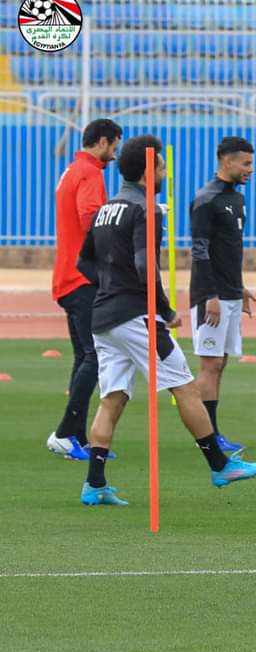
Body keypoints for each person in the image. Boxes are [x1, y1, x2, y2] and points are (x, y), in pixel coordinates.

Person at [75, 135, 256, 506]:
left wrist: (111, 287)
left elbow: (84, 262)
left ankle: (94, 484)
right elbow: (145, 267)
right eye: (162, 168)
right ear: (149, 172)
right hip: (136, 316)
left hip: (103, 317)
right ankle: (220, 465)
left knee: (113, 397)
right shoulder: (146, 209)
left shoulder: (106, 209)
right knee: (185, 387)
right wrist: (164, 311)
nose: (164, 174)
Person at [46, 119, 122, 461]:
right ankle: (65, 433)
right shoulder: (90, 173)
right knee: (95, 355)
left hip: (67, 276)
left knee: (84, 356)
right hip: (83, 278)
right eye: (115, 146)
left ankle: (76, 438)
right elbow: (90, 218)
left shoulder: (72, 170)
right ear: (103, 141)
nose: (116, 154)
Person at [189, 136, 256, 454]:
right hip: (211, 297)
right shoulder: (206, 199)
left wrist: (239, 286)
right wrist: (210, 295)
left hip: (229, 293)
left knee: (221, 362)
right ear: (226, 162)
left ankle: (214, 432)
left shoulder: (237, 199)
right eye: (246, 163)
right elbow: (199, 250)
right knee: (210, 363)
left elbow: (229, 249)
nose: (250, 169)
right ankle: (207, 436)